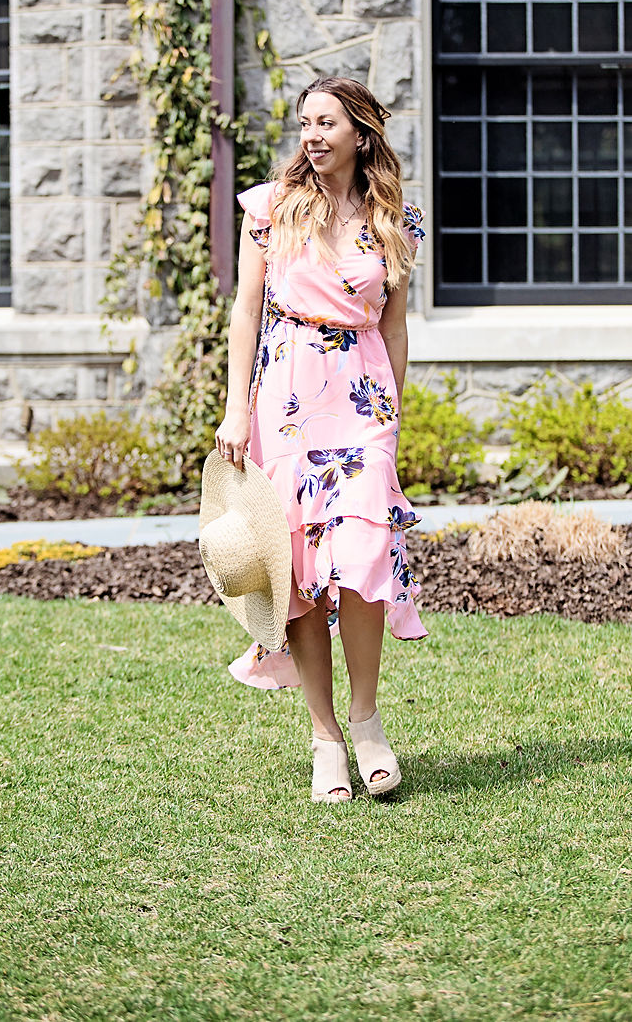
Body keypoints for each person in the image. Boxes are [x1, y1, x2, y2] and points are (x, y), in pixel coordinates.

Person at [214, 76, 428, 803]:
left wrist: (392, 418)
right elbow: (245, 313)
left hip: (362, 394)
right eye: (305, 121)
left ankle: (366, 720)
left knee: (365, 552)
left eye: (326, 122)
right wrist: (236, 409)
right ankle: (325, 738)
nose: (311, 134)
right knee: (299, 563)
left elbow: (395, 327)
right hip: (288, 394)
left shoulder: (396, 218)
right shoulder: (270, 208)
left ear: (360, 133)